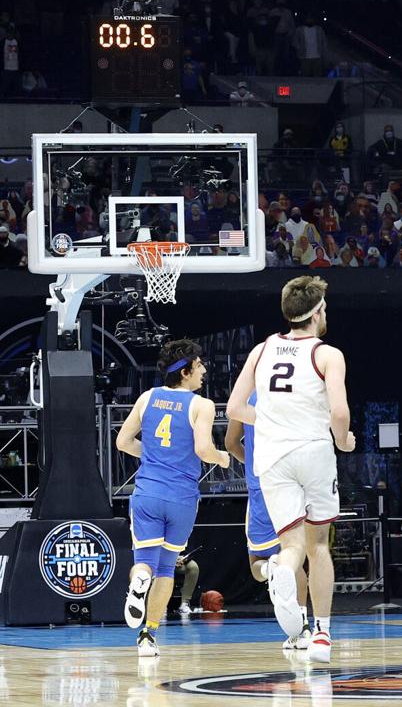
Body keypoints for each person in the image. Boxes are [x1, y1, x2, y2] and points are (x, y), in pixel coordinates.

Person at [227, 276, 356, 664]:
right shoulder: (328, 354)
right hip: (313, 451)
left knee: (292, 546)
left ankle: (281, 569)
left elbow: (234, 409)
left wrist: (269, 423)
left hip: (272, 456)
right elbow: (339, 412)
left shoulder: (262, 349)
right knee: (319, 546)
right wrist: (344, 439)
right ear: (316, 313)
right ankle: (321, 635)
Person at [115, 340, 230, 657]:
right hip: (181, 499)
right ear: (186, 370)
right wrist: (223, 458)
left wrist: (152, 458)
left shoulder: (147, 398)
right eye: (200, 365)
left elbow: (123, 441)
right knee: (166, 568)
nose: (204, 370)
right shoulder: (201, 405)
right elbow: (204, 450)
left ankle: (138, 586)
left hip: (148, 493)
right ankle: (148, 635)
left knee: (144, 564)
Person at [225, 391, 312, 649]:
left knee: (257, 563)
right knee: (295, 557)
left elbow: (231, 444)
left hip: (260, 486)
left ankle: (270, 570)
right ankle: (304, 628)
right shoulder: (295, 390)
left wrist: (251, 461)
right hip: (292, 483)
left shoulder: (246, 396)